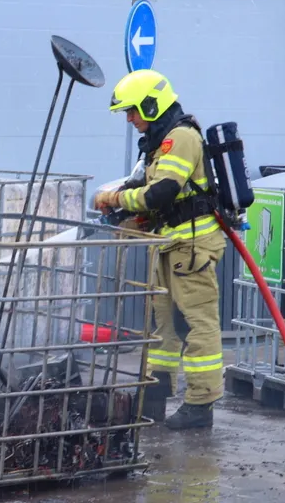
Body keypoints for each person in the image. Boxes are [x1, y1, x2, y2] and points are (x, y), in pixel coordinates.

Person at [93, 69, 227, 430]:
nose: (130, 119)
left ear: (152, 105)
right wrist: (124, 214)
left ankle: (200, 405)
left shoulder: (180, 138)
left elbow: (161, 192)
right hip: (170, 243)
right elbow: (153, 193)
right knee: (161, 327)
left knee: (198, 325)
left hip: (192, 245)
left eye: (133, 110)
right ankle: (154, 397)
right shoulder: (159, 141)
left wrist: (115, 197)